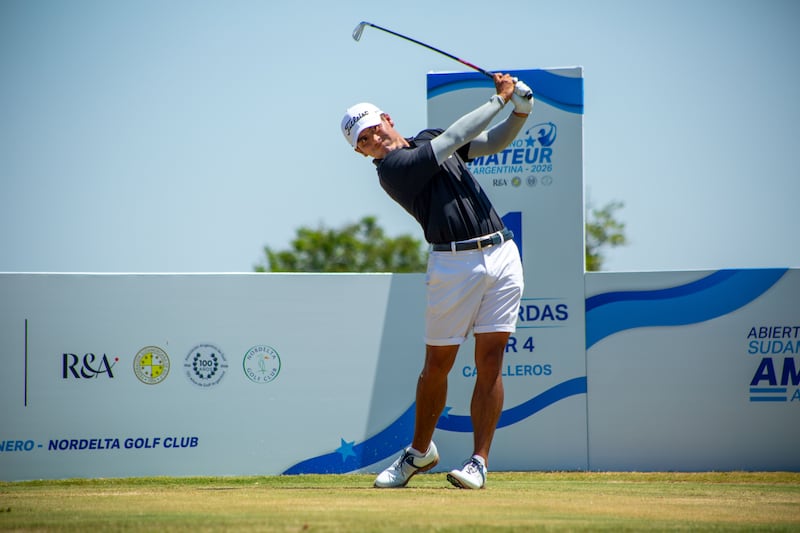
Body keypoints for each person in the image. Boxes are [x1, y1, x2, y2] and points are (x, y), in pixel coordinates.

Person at [341, 73, 532, 489]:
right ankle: (419, 452)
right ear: (361, 153)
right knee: (437, 366)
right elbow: (454, 138)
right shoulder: (393, 169)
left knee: (491, 361)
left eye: (372, 128)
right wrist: (500, 98)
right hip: (453, 264)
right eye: (362, 141)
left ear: (387, 119)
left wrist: (521, 111)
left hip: (502, 253)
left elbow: (490, 143)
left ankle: (479, 462)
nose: (372, 139)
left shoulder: (425, 137)